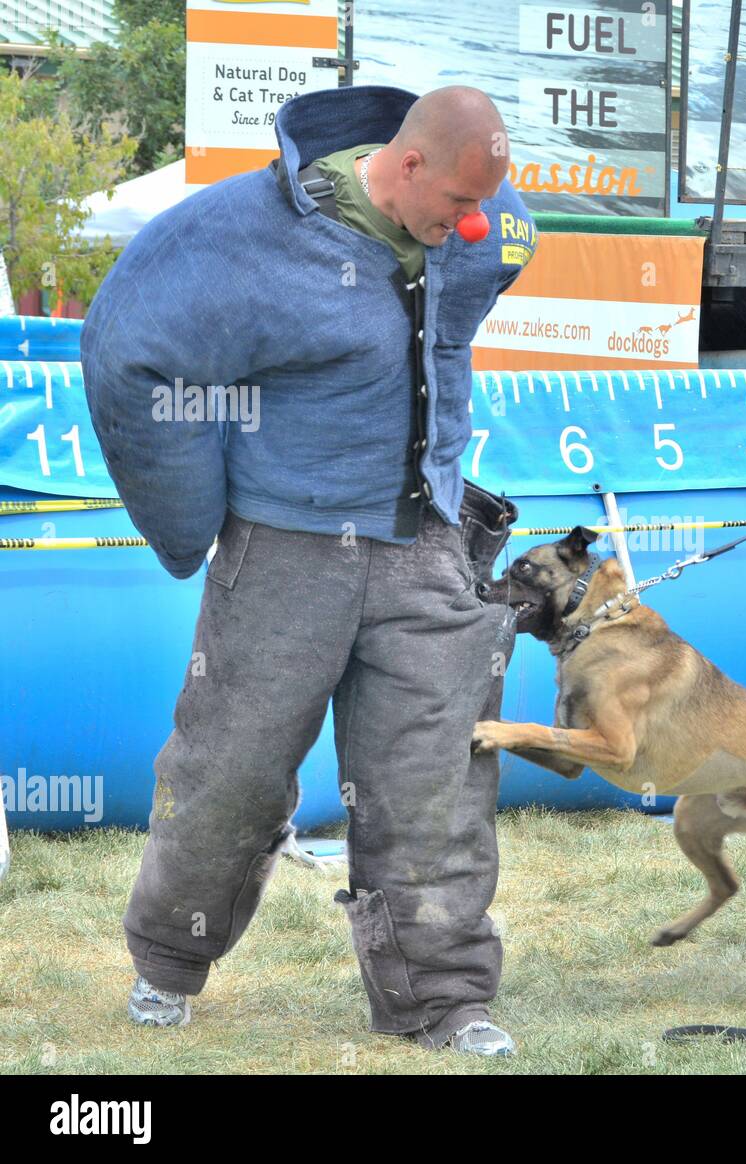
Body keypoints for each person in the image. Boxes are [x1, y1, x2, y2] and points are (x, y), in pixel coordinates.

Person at [81, 85, 535, 1056]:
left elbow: (491, 263)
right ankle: (168, 959)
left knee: (435, 785)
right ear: (404, 162)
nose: (471, 225)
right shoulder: (235, 236)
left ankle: (444, 1001)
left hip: (424, 550)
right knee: (229, 775)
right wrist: (191, 518)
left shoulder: (480, 216)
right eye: (453, 204)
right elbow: (131, 359)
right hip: (285, 551)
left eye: (483, 207)